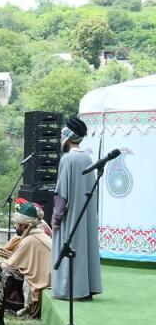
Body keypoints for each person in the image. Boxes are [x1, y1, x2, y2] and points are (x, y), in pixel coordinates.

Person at [52, 117, 103, 301]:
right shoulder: (88, 159)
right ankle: (86, 288)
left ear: (68, 136)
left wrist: (56, 219)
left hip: (71, 217)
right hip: (85, 216)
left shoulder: (67, 160)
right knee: (84, 249)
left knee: (69, 248)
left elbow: (62, 195)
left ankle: (69, 289)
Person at [0, 202, 52, 318]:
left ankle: (1, 306)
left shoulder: (29, 240)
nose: (15, 226)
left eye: (16, 224)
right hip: (48, 280)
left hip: (40, 285)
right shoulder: (39, 236)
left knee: (4, 272)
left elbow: (7, 265)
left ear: (24, 226)